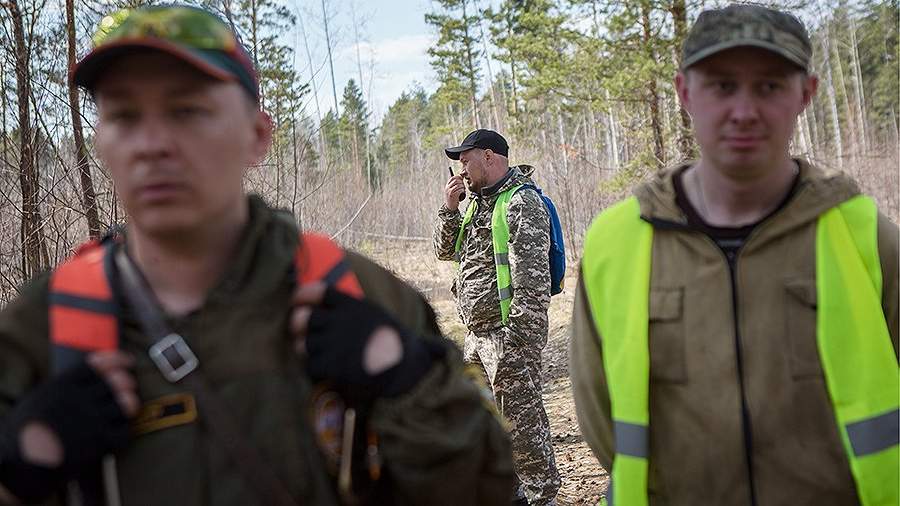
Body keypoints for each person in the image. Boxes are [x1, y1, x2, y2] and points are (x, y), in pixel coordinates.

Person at [0, 5, 515, 505]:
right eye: (123, 115)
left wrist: (406, 379)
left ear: (257, 136)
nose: (151, 143)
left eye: (188, 110)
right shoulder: (49, 325)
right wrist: (17, 464)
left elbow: (486, 488)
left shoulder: (355, 293)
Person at [570, 4, 899, 506]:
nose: (744, 111)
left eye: (769, 86)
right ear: (684, 94)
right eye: (722, 85)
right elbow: (601, 418)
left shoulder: (866, 238)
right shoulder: (615, 244)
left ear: (805, 95)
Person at [433, 129, 560, 506]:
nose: (460, 168)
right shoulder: (472, 204)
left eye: (465, 159)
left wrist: (518, 341)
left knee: (523, 431)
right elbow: (443, 251)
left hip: (508, 340)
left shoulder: (521, 202)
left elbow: (533, 281)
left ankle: (541, 498)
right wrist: (449, 209)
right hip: (475, 338)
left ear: (490, 157)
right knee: (483, 428)